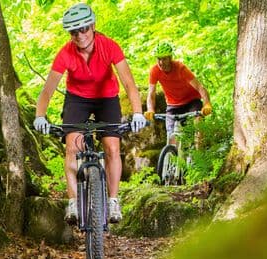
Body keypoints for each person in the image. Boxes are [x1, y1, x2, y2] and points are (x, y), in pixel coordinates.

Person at [33, 3, 147, 224]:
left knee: (112, 147)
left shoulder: (110, 46)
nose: (80, 35)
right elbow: (47, 89)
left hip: (107, 99)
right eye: (74, 32)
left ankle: (113, 201)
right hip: (77, 99)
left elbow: (129, 84)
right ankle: (74, 202)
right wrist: (40, 115)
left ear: (93, 25)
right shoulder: (65, 53)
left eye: (84, 29)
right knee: (72, 147)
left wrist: (137, 113)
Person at [144, 42, 213, 143]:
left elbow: (199, 87)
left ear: (170, 58)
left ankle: (198, 155)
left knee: (198, 125)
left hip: (191, 101)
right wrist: (150, 109)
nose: (161, 62)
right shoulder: (154, 71)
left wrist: (207, 104)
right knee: (171, 136)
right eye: (159, 59)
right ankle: (171, 155)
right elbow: (151, 94)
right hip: (173, 105)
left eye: (164, 59)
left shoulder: (180, 68)